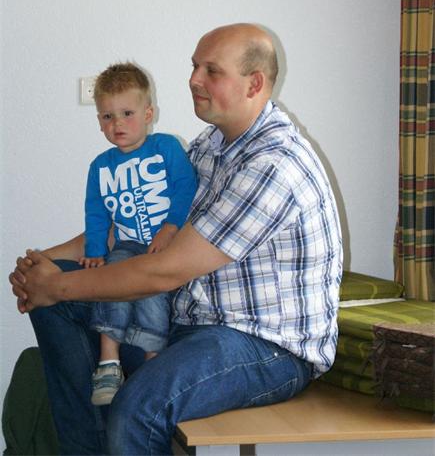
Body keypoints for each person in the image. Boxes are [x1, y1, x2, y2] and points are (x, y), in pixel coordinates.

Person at [11, 23, 343, 456]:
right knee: (56, 304)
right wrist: (41, 267)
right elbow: (130, 227)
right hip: (190, 322)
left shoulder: (274, 163)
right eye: (194, 66)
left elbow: (165, 271)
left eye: (211, 70)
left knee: (140, 408)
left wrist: (56, 285)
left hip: (264, 345)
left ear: (254, 84)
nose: (194, 79)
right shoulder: (211, 146)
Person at [81, 62, 197, 406]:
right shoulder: (101, 166)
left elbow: (186, 188)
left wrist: (171, 227)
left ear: (149, 114)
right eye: (107, 116)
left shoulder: (166, 147)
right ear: (99, 121)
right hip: (127, 243)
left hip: (166, 243)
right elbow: (96, 213)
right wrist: (95, 250)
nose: (117, 124)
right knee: (112, 279)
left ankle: (152, 362)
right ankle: (109, 362)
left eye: (127, 113)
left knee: (152, 291)